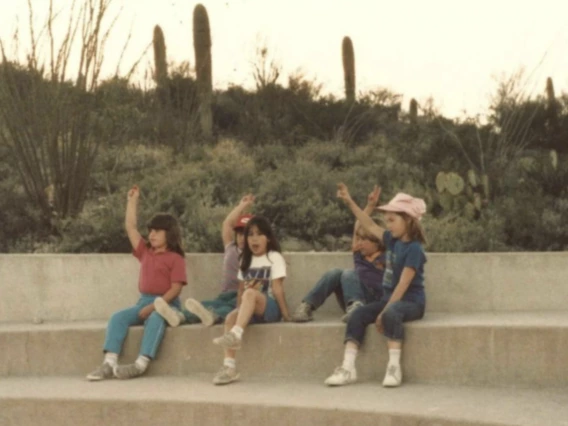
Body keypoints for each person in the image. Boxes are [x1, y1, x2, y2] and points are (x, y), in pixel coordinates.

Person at [325, 183, 427, 388]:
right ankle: (348, 368)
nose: (387, 225)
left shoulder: (414, 249)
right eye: (387, 220)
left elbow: (403, 284)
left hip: (411, 302)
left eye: (392, 220)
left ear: (407, 220)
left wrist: (384, 311)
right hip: (388, 299)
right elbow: (369, 225)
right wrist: (349, 201)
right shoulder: (392, 241)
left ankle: (393, 367)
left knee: (391, 314)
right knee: (357, 315)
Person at [86, 185, 187, 381]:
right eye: (150, 231)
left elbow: (176, 288)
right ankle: (109, 362)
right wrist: (132, 200)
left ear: (170, 233)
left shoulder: (175, 258)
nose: (152, 235)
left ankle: (141, 364)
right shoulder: (145, 252)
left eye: (157, 231)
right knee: (118, 317)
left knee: (156, 318)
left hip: (165, 304)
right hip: (144, 301)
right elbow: (131, 227)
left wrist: (154, 306)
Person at [153, 194, 255, 327]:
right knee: (205, 305)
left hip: (239, 297)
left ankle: (213, 316)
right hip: (224, 295)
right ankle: (179, 316)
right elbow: (227, 224)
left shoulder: (256, 255)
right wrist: (242, 205)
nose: (242, 238)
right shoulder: (231, 247)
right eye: (240, 234)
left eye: (246, 234)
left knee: (226, 310)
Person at [211, 216, 291, 385]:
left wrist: (286, 315)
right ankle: (229, 367)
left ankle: (236, 334)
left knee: (250, 293)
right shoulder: (244, 260)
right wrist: (239, 314)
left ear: (268, 238)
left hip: (269, 307)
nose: (254, 238)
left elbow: (277, 288)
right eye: (250, 234)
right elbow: (240, 290)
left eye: (259, 234)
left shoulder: (274, 257)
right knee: (230, 317)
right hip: (251, 307)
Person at [291, 186, 385, 323]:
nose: (359, 243)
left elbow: (371, 228)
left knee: (348, 273)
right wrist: (369, 205)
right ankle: (307, 306)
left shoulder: (386, 256)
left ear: (377, 242)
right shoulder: (360, 254)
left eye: (364, 240)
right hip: (352, 301)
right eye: (358, 239)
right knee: (335, 273)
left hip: (373, 302)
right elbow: (358, 225)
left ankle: (357, 308)